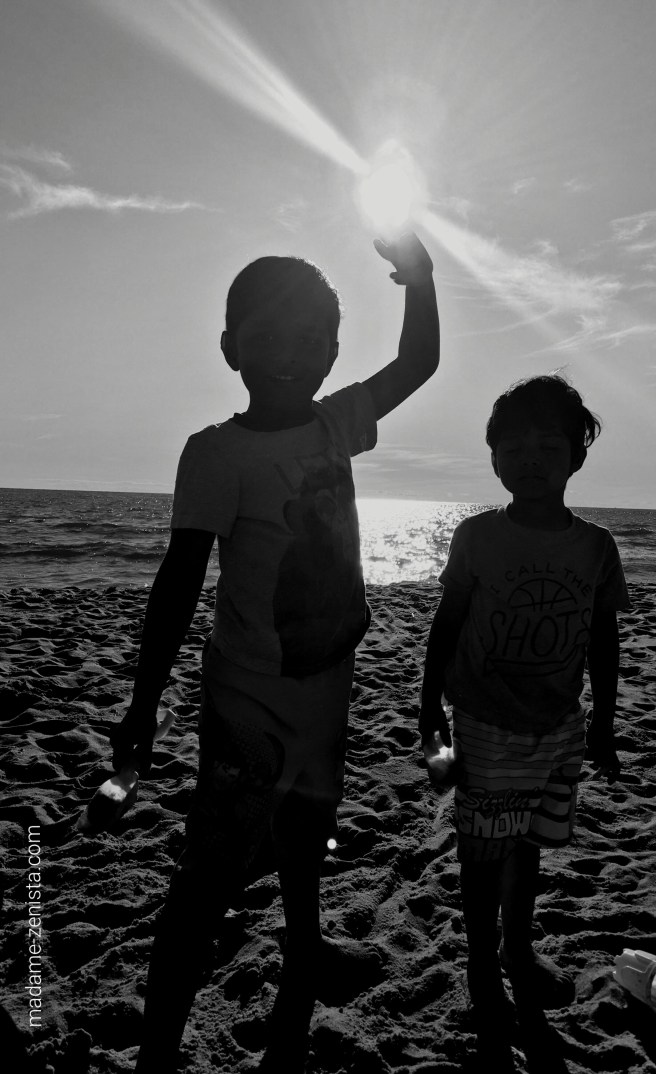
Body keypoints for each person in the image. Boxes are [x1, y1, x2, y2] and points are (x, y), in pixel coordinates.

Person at [110, 232, 439, 1073]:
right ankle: (158, 1045)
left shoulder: (340, 423)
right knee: (211, 870)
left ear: (333, 349)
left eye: (311, 339)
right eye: (267, 338)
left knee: (305, 837)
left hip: (328, 687)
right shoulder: (218, 453)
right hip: (246, 702)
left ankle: (302, 953)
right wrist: (142, 703)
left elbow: (418, 362)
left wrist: (421, 278)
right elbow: (179, 580)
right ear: (230, 349)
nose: (289, 357)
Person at [419, 375, 630, 1030]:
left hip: (557, 727)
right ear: (493, 458)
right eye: (513, 448)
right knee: (483, 853)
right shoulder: (477, 536)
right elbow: (447, 621)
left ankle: (517, 950)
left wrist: (604, 726)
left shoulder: (596, 547)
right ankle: (483, 967)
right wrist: (429, 708)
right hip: (483, 721)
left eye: (547, 446)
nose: (530, 460)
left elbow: (604, 641)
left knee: (530, 844)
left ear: (576, 455)